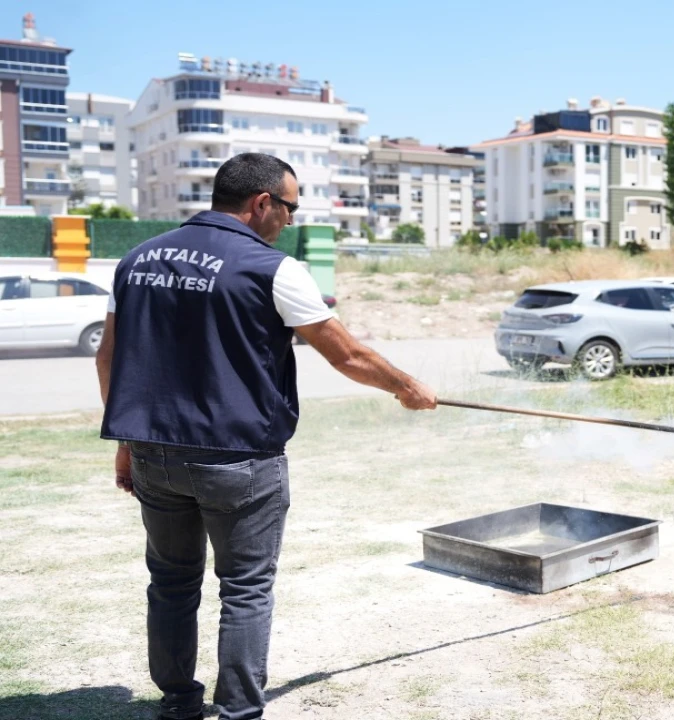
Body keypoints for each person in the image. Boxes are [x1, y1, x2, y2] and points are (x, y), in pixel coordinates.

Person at [95, 153, 438, 720]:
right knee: (246, 589)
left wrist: (126, 442)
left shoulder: (135, 260)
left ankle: (179, 704)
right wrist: (407, 387)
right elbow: (347, 355)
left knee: (172, 583)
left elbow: (109, 357)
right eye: (291, 208)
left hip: (154, 454)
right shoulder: (272, 267)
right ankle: (237, 714)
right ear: (261, 204)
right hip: (238, 461)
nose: (290, 221)